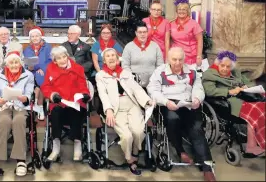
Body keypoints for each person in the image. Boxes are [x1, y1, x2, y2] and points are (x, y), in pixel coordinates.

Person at [147, 47, 216, 182]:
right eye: (174, 59)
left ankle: (207, 168)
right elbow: (153, 90)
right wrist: (165, 102)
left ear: (184, 59)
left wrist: (197, 98)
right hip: (169, 104)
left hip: (189, 103)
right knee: (172, 119)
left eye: (180, 59)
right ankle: (180, 150)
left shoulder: (191, 71)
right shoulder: (160, 72)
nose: (178, 63)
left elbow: (198, 88)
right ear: (168, 59)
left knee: (196, 129)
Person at [96, 48, 153, 175]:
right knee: (126, 136)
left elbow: (136, 89)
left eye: (113, 56)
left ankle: (135, 152)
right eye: (108, 56)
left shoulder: (126, 73)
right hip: (116, 108)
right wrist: (108, 110)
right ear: (104, 60)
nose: (111, 58)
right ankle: (129, 158)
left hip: (132, 104)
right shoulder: (101, 76)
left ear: (117, 59)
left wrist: (147, 101)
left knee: (138, 131)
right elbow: (102, 95)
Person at [202, 51, 265, 156]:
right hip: (228, 100)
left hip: (242, 94)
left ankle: (260, 141)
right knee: (256, 110)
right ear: (218, 63)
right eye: (222, 65)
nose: (225, 69)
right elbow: (209, 91)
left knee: (263, 104)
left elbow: (244, 81)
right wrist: (229, 92)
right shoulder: (210, 74)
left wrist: (245, 86)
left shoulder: (235, 72)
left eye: (228, 66)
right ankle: (251, 146)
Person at [0, 51, 35, 177]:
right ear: (6, 64)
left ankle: (21, 160)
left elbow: (29, 92)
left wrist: (25, 98)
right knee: (4, 121)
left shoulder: (28, 75)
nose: (14, 65)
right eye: (11, 63)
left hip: (20, 106)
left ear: (20, 63)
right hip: (4, 106)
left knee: (19, 121)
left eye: (16, 62)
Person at [41, 46, 90, 162]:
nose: (63, 60)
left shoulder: (78, 68)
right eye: (59, 58)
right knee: (56, 112)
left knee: (76, 111)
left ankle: (77, 144)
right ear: (54, 61)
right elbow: (46, 86)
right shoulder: (50, 68)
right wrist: (53, 95)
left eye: (64, 57)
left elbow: (83, 84)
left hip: (74, 102)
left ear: (67, 56)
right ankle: (56, 147)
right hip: (59, 102)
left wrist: (85, 94)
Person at [122, 22, 164, 88]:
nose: (142, 34)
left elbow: (160, 65)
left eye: (144, 32)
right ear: (136, 33)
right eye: (140, 32)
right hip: (134, 83)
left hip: (152, 83)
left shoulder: (155, 46)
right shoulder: (129, 47)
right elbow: (125, 66)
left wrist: (155, 78)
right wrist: (132, 78)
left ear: (147, 33)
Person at [23, 26, 52, 120]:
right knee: (32, 77)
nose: (35, 38)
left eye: (37, 36)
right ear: (30, 38)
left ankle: (38, 105)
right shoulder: (27, 49)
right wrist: (37, 67)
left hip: (45, 71)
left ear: (41, 37)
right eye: (32, 36)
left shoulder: (47, 47)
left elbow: (50, 61)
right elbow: (28, 62)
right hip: (32, 71)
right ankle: (38, 106)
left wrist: (41, 68)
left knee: (40, 77)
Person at [166, 0, 203, 67]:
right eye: (179, 9)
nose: (181, 11)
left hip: (190, 57)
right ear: (176, 11)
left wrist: (199, 56)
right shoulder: (171, 23)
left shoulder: (194, 23)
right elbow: (167, 40)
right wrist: (168, 56)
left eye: (184, 9)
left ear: (187, 11)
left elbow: (200, 40)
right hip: (176, 56)